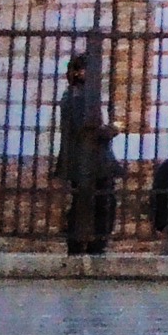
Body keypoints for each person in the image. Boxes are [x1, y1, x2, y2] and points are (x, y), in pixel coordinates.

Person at [56, 50, 116, 256]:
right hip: (90, 160)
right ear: (80, 72)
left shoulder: (76, 95)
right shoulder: (79, 97)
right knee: (101, 205)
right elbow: (88, 130)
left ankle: (83, 245)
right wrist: (113, 129)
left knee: (87, 203)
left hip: (84, 160)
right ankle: (92, 247)